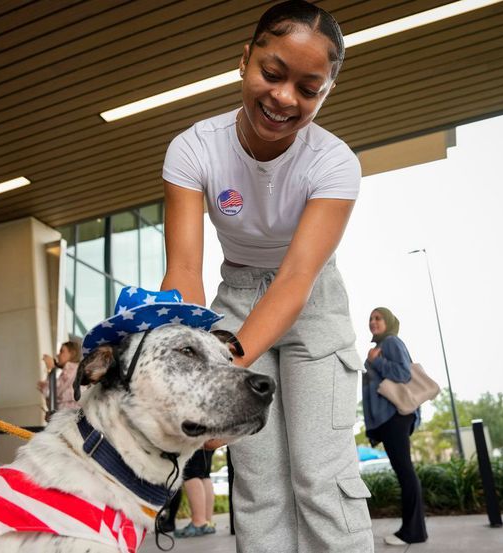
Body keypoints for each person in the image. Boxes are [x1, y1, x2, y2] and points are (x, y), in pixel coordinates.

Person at [161, 2, 373, 551]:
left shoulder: (334, 162)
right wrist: (185, 365)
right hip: (234, 299)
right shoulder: (194, 149)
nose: (284, 98)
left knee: (319, 475)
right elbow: (185, 270)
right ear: (245, 60)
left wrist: (212, 376)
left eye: (309, 88)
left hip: (311, 302)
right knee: (258, 485)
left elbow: (295, 281)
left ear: (326, 92)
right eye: (272, 74)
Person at [362, 307, 428, 546]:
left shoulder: (390, 342)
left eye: (378, 318)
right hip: (390, 418)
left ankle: (412, 532)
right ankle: (414, 530)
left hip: (395, 417)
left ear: (388, 321)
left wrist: (376, 361)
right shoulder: (381, 346)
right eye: (370, 318)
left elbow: (402, 373)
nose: (372, 322)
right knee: (405, 472)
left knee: (405, 472)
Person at [174, 448, 217, 538]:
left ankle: (199, 522)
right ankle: (206, 522)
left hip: (197, 437)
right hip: (211, 437)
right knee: (205, 474)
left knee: (191, 472)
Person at [37, 340, 82, 414]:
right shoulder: (71, 371)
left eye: (61, 351)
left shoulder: (73, 371)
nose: (58, 355)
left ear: (72, 354)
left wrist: (50, 369)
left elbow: (53, 393)